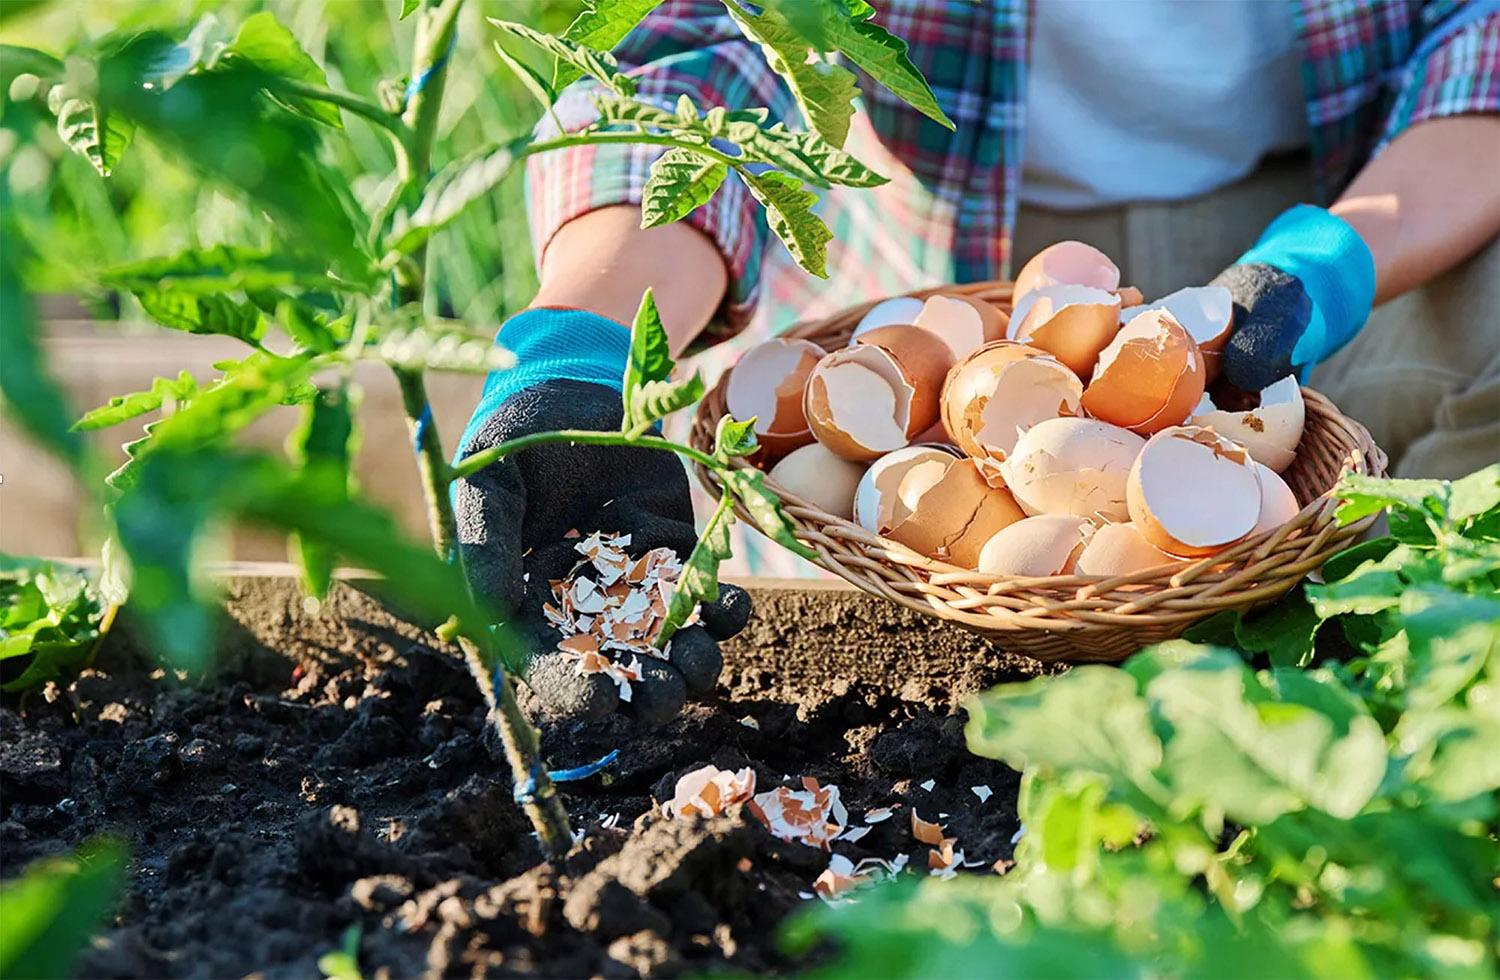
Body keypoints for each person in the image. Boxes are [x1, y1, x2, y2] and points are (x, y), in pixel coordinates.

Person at [455, 0, 1500, 724]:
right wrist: (580, 345)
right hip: (957, 257)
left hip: (1364, 183)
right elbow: (713, 42)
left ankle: (1386, 679)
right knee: (891, 525)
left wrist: (1333, 258)